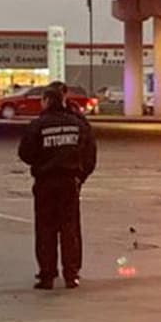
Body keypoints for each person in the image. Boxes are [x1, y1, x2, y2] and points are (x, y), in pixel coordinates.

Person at [19, 86, 97, 290]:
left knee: (46, 229)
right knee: (69, 228)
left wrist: (43, 160)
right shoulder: (76, 124)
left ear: (46, 100)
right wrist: (80, 174)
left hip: (46, 181)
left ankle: (47, 275)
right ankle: (71, 274)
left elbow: (25, 153)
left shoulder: (38, 125)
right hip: (70, 181)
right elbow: (87, 149)